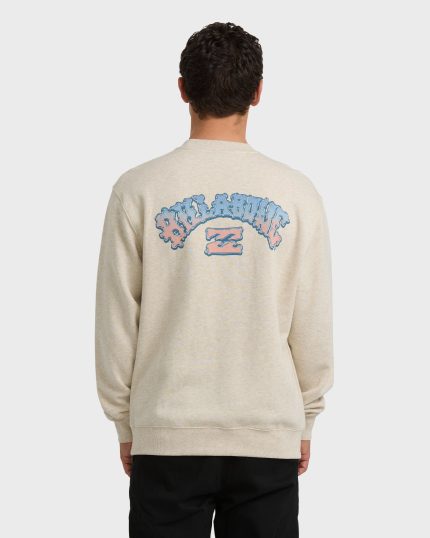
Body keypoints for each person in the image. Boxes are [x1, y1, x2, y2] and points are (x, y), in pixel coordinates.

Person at [95, 21, 334, 538]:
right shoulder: (297, 194)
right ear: (258, 92)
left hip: (167, 432)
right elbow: (312, 319)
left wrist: (126, 421)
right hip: (266, 434)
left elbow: (116, 320)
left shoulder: (138, 189)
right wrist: (305, 416)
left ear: (183, 89)